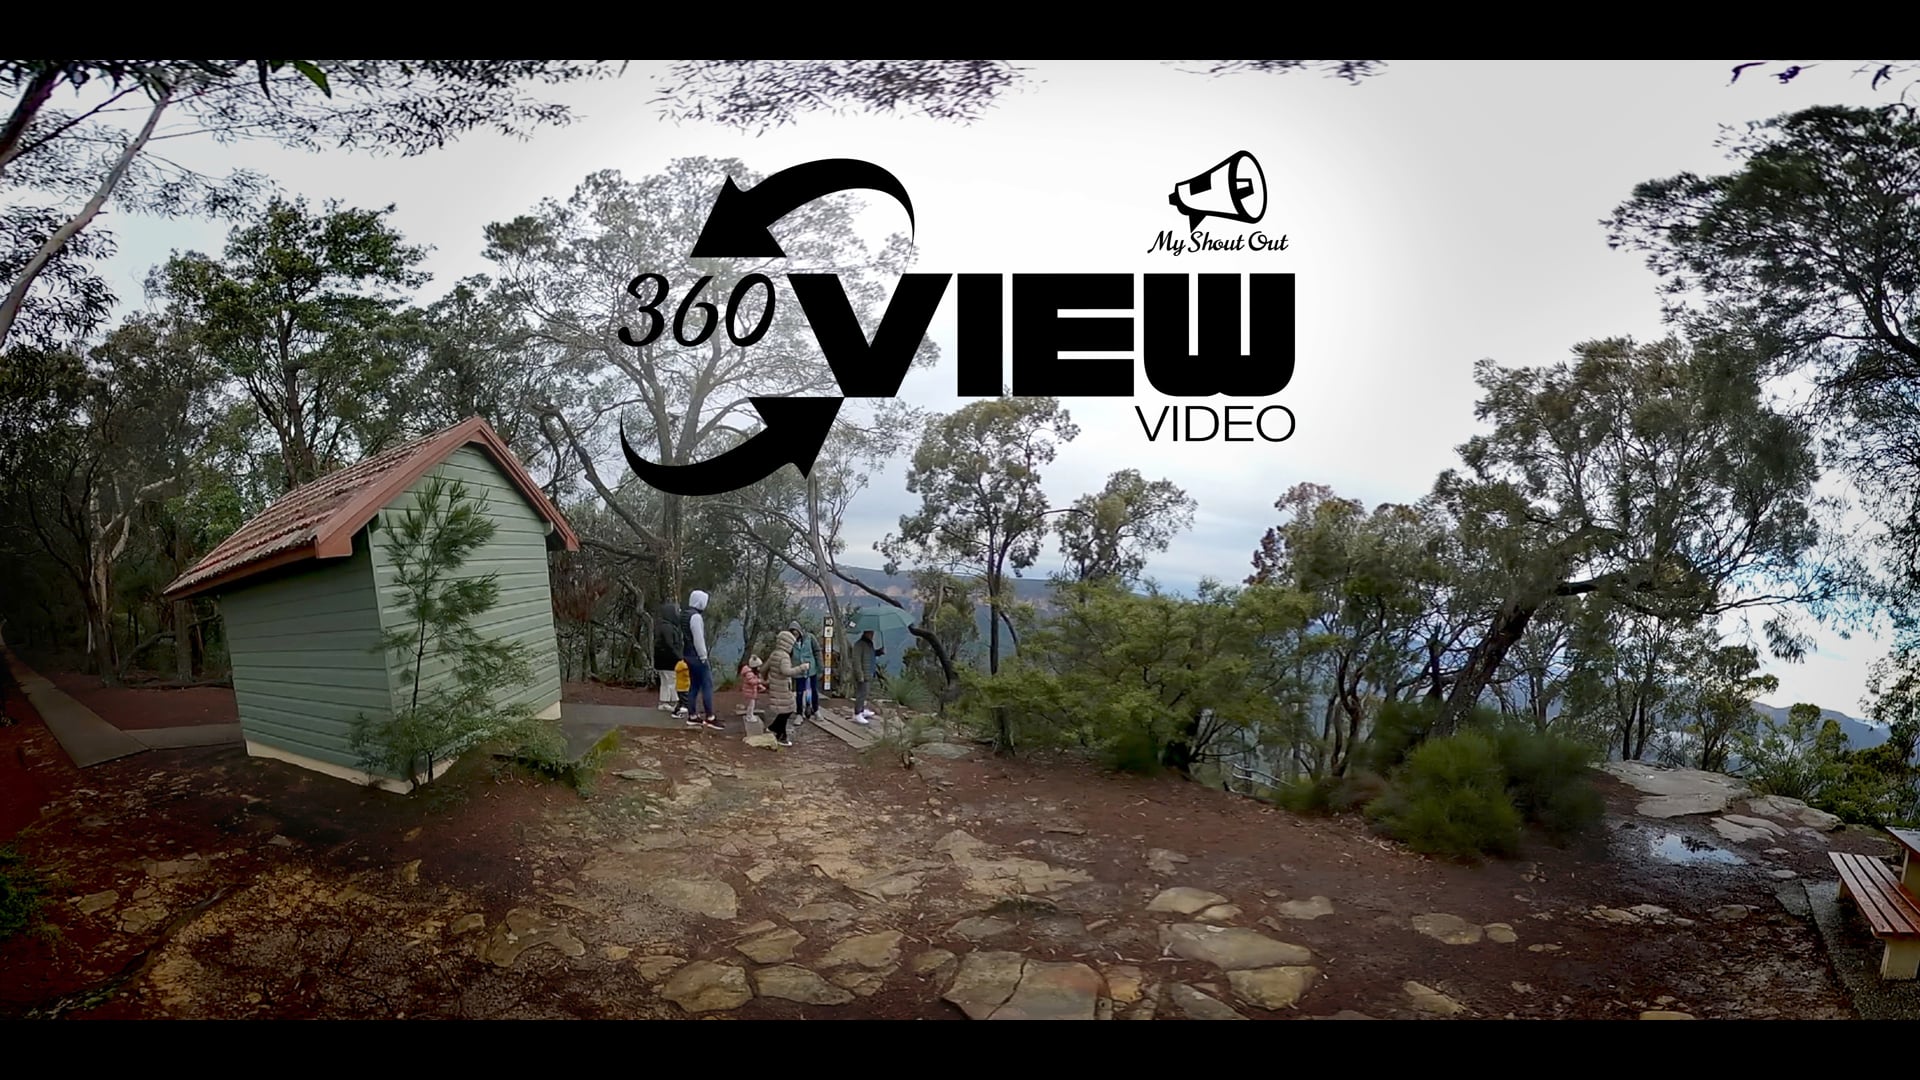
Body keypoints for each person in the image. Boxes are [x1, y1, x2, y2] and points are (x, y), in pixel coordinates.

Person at [763, 627, 811, 747]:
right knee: (788, 710)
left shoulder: (774, 654)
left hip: (775, 686)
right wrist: (801, 668)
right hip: (782, 687)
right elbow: (786, 671)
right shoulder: (784, 656)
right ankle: (780, 735)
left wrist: (766, 680)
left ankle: (775, 729)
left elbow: (764, 668)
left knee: (785, 710)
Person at [681, 589, 720, 730]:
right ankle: (710, 717)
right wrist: (704, 656)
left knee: (694, 685)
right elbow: (698, 639)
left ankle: (692, 715)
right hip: (697, 656)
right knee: (707, 685)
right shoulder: (696, 617)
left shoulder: (684, 614)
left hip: (687, 655)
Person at [654, 600, 683, 712]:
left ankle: (664, 702)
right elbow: (670, 645)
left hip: (661, 661)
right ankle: (674, 703)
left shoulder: (661, 626)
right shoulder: (669, 628)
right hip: (669, 661)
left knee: (665, 682)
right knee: (672, 681)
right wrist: (679, 656)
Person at [787, 618, 819, 721]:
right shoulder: (790, 642)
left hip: (811, 670)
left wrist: (820, 666)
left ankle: (816, 710)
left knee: (812, 690)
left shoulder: (810, 638)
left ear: (799, 631)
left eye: (795, 632)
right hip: (798, 671)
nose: (794, 635)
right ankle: (799, 713)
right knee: (799, 693)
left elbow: (817, 651)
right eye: (792, 633)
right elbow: (787, 655)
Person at [850, 628, 883, 725]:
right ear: (866, 633)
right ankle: (857, 714)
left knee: (865, 693)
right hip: (863, 674)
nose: (872, 635)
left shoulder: (869, 644)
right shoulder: (859, 645)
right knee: (861, 694)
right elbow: (856, 661)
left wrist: (879, 652)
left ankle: (862, 710)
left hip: (869, 672)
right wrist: (860, 675)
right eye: (870, 633)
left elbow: (870, 655)